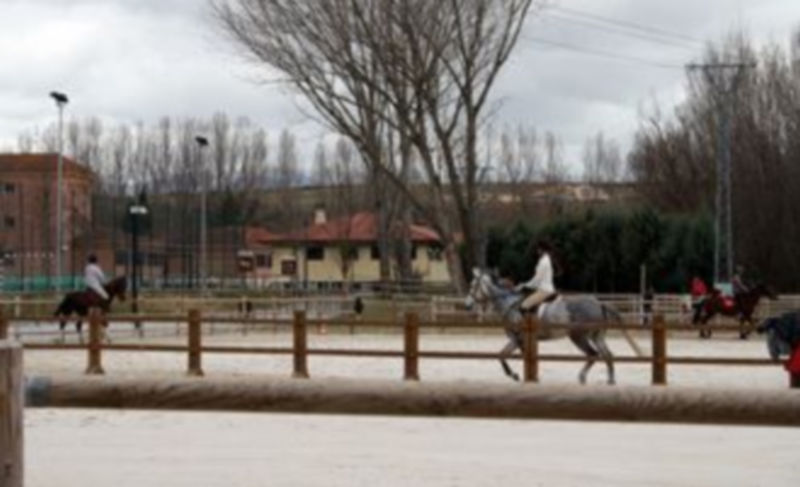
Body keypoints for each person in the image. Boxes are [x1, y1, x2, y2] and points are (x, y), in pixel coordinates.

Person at [517, 240, 556, 313]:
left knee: (523, 307)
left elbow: (537, 280)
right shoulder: (545, 260)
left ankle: (528, 324)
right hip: (544, 289)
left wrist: (524, 285)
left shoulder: (544, 262)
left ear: (542, 249)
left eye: (538, 249)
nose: (537, 251)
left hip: (544, 290)